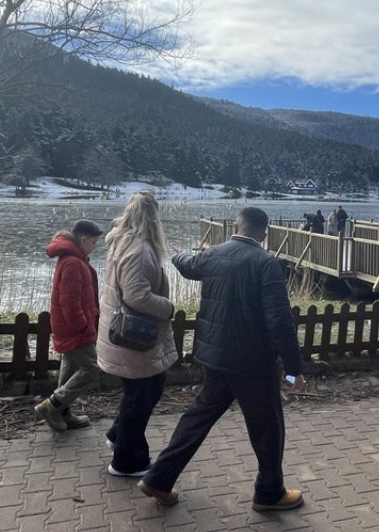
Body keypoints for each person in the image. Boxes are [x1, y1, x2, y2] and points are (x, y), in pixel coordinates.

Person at [137, 207, 306, 511]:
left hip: (214, 358)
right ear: (264, 234)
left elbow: (187, 265)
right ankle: (269, 494)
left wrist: (177, 254)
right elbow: (280, 322)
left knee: (197, 419)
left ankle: (158, 478)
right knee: (268, 428)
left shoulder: (213, 254)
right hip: (253, 364)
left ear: (234, 228)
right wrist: (294, 370)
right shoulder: (266, 263)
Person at [96, 191, 177, 477]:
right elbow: (137, 296)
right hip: (133, 340)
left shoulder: (123, 240)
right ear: (153, 216)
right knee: (142, 394)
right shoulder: (139, 250)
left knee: (142, 391)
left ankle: (118, 436)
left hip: (125, 337)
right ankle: (128, 460)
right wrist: (168, 307)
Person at [35, 220, 105, 433]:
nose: (94, 246)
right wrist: (83, 327)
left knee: (70, 367)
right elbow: (70, 301)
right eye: (93, 242)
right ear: (83, 240)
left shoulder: (73, 259)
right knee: (92, 368)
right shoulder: (73, 263)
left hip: (71, 327)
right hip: (75, 328)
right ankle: (52, 406)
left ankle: (62, 412)